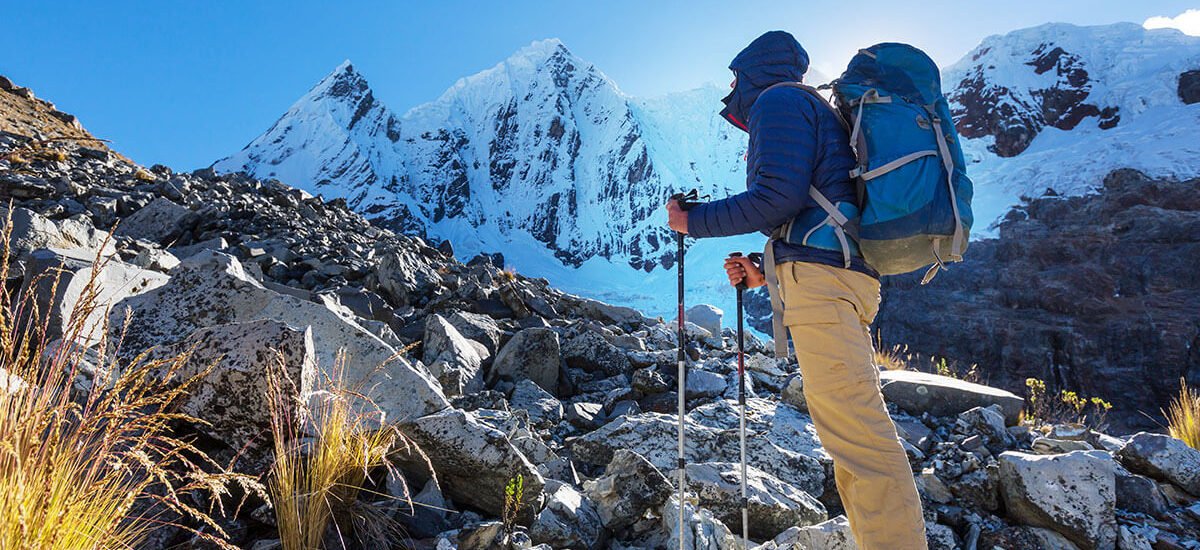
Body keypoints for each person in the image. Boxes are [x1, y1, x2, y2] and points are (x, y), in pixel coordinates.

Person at [665, 30, 927, 549]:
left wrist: (691, 221)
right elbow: (814, 207)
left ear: (752, 71)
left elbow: (775, 197)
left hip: (824, 290)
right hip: (832, 279)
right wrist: (765, 272)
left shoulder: (778, 101)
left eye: (735, 77)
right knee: (849, 439)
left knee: (863, 442)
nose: (731, 89)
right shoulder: (809, 108)